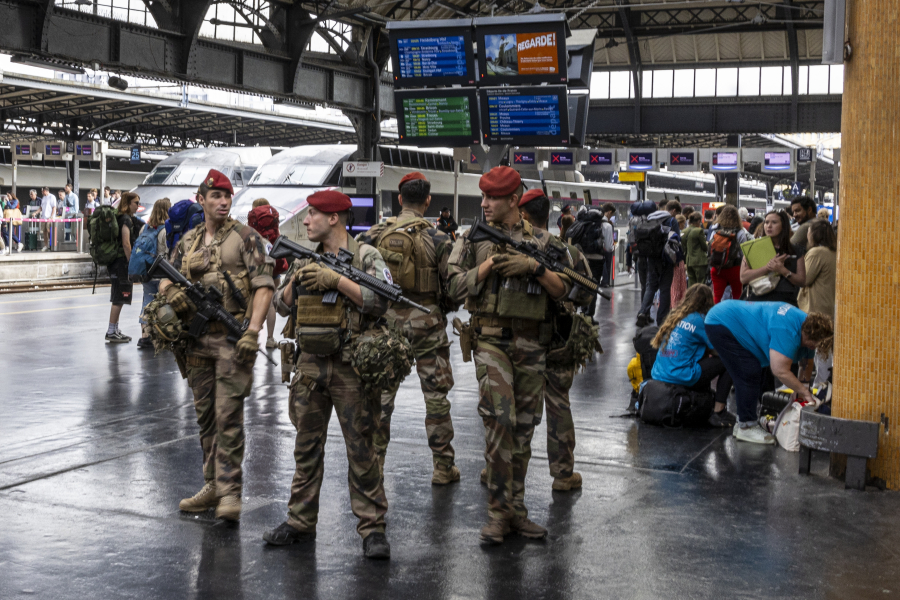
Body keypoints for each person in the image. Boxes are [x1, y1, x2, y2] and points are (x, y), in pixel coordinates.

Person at [263, 190, 390, 559]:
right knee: (306, 447)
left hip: (352, 366)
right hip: (310, 365)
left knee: (362, 449)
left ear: (333, 218)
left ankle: (372, 528)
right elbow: (281, 306)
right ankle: (300, 521)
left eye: (313, 214)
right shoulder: (305, 259)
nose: (306, 221)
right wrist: (296, 281)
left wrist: (336, 281)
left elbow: (381, 299)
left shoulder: (366, 256)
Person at [447, 166, 570, 545]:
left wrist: (534, 267)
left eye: (493, 197)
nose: (484, 203)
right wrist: (489, 265)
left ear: (514, 200)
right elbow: (452, 287)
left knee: (524, 428)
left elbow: (565, 290)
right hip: (490, 341)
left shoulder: (545, 242)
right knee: (500, 420)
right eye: (483, 196)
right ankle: (498, 514)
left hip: (532, 343)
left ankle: (516, 511)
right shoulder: (473, 239)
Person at [160, 169, 275, 522]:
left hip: (231, 340)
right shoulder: (189, 240)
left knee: (228, 417)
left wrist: (252, 331)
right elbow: (165, 277)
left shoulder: (246, 238)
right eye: (216, 196)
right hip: (196, 342)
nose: (223, 202)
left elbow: (264, 285)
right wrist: (172, 292)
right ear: (201, 200)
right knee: (206, 417)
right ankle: (212, 485)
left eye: (227, 196)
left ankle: (230, 493)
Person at [357, 172, 459, 485]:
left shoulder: (375, 234)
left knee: (381, 395)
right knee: (436, 395)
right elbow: (453, 288)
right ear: (428, 201)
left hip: (386, 323)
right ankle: (443, 467)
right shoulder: (439, 238)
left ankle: (377, 465)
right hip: (428, 322)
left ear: (400, 199)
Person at [518, 188, 592, 491]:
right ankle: (563, 474)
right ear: (548, 214)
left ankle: (501, 471)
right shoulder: (568, 252)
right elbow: (586, 293)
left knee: (516, 406)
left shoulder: (510, 246)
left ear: (523, 215)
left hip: (518, 341)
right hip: (558, 339)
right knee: (559, 403)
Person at [705, 301, 834, 444]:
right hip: (722, 322)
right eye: (814, 345)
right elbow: (780, 371)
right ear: (809, 337)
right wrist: (803, 391)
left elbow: (807, 362)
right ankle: (746, 427)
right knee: (749, 370)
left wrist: (802, 389)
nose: (814, 348)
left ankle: (742, 423)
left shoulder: (809, 325)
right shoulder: (787, 330)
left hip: (729, 319)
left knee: (750, 370)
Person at [650, 284, 736, 427]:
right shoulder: (700, 320)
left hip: (660, 374)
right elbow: (720, 349)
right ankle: (719, 412)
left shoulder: (675, 316)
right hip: (681, 376)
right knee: (729, 360)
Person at [246, 198, 288, 349]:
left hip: (257, 263)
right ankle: (270, 338)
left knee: (254, 299)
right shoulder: (273, 217)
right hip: (273, 262)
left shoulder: (253, 218)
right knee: (271, 302)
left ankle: (252, 337)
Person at [741, 210, 805, 305]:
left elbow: (802, 281)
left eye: (774, 222)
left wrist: (783, 270)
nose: (769, 226)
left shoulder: (795, 250)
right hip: (759, 299)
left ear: (783, 226)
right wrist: (768, 268)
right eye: (766, 222)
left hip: (785, 302)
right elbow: (743, 278)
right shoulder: (753, 247)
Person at [635, 202, 682, 327]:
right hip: (666, 258)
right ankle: (661, 319)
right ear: (673, 211)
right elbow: (677, 240)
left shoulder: (649, 219)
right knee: (665, 289)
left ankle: (642, 312)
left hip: (651, 258)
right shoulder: (671, 221)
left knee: (650, 286)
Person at [105, 192, 141, 343]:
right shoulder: (125, 220)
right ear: (128, 203)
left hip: (116, 262)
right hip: (121, 263)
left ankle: (114, 329)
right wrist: (131, 263)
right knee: (119, 298)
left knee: (119, 296)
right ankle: (111, 331)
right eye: (136, 203)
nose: (138, 206)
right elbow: (126, 243)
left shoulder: (121, 218)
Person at [136, 198, 171, 349]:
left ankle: (145, 336)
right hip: (161, 273)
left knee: (147, 303)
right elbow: (166, 252)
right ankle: (162, 335)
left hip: (146, 272)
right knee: (163, 304)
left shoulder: (144, 228)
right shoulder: (165, 230)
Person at [709, 206, 752, 303]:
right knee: (737, 295)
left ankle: (715, 312)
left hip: (717, 268)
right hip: (735, 269)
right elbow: (743, 253)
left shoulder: (715, 231)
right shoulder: (740, 232)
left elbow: (711, 247)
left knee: (716, 297)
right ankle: (735, 312)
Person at [798, 219, 837, 319]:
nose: (807, 236)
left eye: (808, 232)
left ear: (813, 235)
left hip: (814, 309)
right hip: (827, 307)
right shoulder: (833, 252)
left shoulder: (816, 253)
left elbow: (804, 279)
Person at [683, 212, 708, 287]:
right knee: (701, 283)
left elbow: (684, 247)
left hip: (689, 261)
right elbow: (704, 247)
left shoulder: (684, 231)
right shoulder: (699, 231)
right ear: (699, 221)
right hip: (700, 261)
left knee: (691, 283)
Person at [39, 187, 56, 251]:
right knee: (44, 231)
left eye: (42, 191)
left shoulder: (52, 197)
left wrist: (51, 216)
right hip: (44, 217)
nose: (42, 192)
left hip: (49, 217)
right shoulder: (43, 198)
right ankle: (46, 245)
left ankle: (51, 244)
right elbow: (41, 207)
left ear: (45, 191)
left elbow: (54, 207)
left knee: (49, 230)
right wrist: (36, 212)